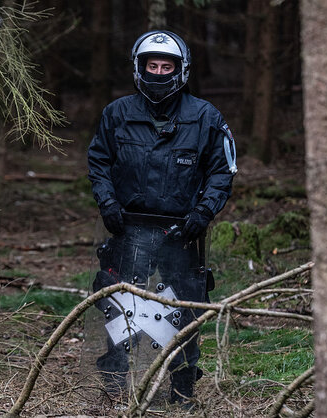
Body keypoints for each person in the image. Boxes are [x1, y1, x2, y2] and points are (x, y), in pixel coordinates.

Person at [87, 30, 237, 406]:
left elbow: (223, 170)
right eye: (151, 65)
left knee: (183, 309)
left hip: (181, 233)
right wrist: (107, 203)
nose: (157, 72)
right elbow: (99, 161)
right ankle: (116, 390)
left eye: (165, 66)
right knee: (119, 306)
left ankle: (182, 392)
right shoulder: (117, 113)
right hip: (128, 228)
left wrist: (204, 212)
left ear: (180, 69)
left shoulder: (206, 117)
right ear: (139, 68)